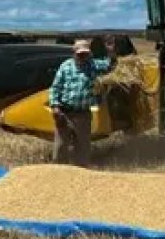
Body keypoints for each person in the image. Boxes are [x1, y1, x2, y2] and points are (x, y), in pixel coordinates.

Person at [47, 37, 117, 166]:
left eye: (85, 54)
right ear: (74, 53)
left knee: (83, 149)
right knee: (60, 148)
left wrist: (110, 52)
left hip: (83, 115)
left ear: (89, 54)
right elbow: (55, 87)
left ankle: (80, 176)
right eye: (80, 54)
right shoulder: (65, 66)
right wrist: (55, 107)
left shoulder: (93, 65)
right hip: (64, 114)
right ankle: (57, 175)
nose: (82, 57)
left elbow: (110, 66)